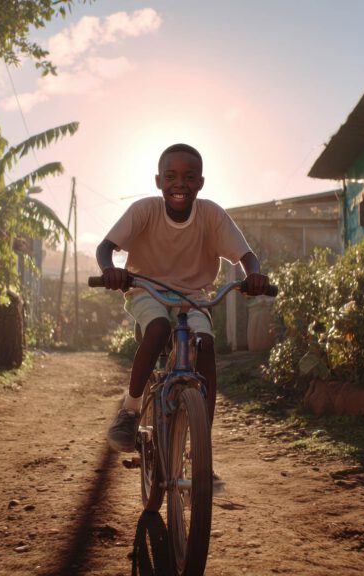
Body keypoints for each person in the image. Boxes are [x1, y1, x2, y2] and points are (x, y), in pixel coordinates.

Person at [96, 143, 269, 458]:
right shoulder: (145, 210)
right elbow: (105, 248)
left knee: (205, 344)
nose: (180, 184)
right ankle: (131, 411)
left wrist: (254, 275)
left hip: (192, 298)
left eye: (189, 177)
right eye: (171, 176)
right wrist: (110, 271)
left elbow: (246, 256)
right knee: (159, 327)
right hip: (145, 289)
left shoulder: (211, 214)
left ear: (200, 183)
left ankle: (204, 439)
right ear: (158, 181)